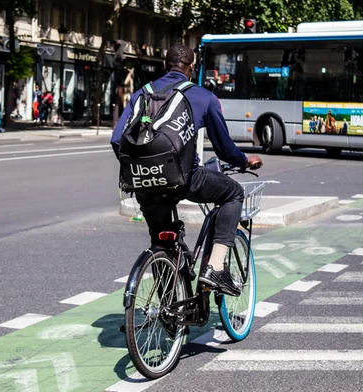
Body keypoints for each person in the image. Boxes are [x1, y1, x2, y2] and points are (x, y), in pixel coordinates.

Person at [111, 44, 263, 296]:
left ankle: (169, 313)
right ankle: (214, 267)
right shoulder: (203, 97)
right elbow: (225, 150)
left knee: (160, 240)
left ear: (164, 66)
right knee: (233, 193)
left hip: (144, 183)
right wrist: (244, 161)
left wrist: (142, 170)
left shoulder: (142, 93)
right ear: (192, 68)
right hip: (186, 179)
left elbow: (117, 140)